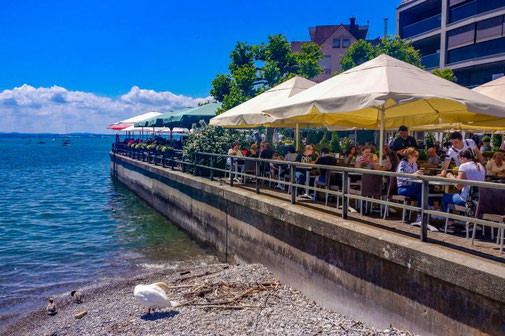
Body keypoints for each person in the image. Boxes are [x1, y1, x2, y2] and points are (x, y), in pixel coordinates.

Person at [442, 149, 485, 213]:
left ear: (462, 158)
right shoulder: (480, 166)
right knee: (458, 194)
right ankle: (462, 218)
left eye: (459, 160)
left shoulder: (464, 166)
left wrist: (450, 176)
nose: (460, 162)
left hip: (467, 199)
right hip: (479, 199)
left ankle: (449, 220)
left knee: (445, 197)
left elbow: (459, 186)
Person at [396, 147, 424, 224]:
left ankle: (419, 216)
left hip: (412, 187)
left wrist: (419, 175)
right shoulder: (403, 163)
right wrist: (413, 175)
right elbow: (399, 176)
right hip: (402, 188)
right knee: (422, 189)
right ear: (410, 155)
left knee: (421, 193)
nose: (417, 157)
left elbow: (415, 177)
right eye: (416, 156)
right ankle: (431, 208)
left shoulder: (414, 164)